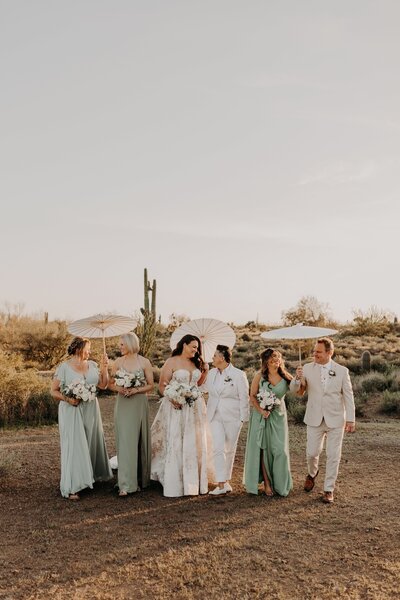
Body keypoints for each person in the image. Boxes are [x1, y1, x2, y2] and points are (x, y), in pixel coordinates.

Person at [290, 337, 355, 504]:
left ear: (329, 353)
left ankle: (328, 489)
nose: (315, 354)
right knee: (312, 453)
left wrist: (350, 419)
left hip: (336, 419)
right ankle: (312, 473)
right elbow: (297, 391)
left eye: (318, 352)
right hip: (314, 417)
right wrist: (297, 379)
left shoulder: (342, 371)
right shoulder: (306, 368)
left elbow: (348, 396)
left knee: (333, 455)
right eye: (314, 351)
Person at [51, 337, 112, 500]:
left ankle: (89, 476)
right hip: (72, 410)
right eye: (88, 349)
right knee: (75, 445)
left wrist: (105, 368)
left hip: (91, 409)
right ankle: (73, 486)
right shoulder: (64, 368)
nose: (90, 352)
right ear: (79, 349)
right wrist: (68, 399)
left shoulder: (92, 365)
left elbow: (103, 385)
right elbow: (53, 391)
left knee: (91, 441)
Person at [151, 334, 212, 497]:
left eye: (197, 347)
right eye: (193, 346)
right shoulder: (172, 361)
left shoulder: (197, 362)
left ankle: (193, 479)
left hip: (195, 407)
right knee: (177, 440)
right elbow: (162, 385)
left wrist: (205, 372)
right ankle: (176, 480)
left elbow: (197, 384)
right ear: (184, 345)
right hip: (176, 406)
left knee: (194, 440)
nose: (196, 349)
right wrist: (172, 398)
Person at [108, 333, 154, 497]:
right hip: (123, 404)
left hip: (138, 403)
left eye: (122, 344)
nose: (119, 347)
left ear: (130, 344)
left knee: (139, 440)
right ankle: (126, 484)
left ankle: (141, 479)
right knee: (125, 441)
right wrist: (120, 388)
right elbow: (110, 384)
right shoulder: (118, 362)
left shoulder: (144, 362)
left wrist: (135, 389)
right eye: (119, 344)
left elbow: (150, 385)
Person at [243, 348, 293, 497]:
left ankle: (280, 483)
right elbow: (252, 396)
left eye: (277, 357)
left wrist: (301, 379)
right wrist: (261, 410)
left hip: (278, 416)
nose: (276, 360)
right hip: (261, 417)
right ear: (266, 361)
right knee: (263, 450)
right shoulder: (260, 376)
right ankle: (267, 484)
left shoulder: (285, 376)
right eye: (272, 358)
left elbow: (300, 390)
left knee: (280, 450)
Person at [204, 345, 249, 496]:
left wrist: (243, 418)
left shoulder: (238, 374)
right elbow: (205, 389)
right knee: (218, 448)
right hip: (214, 415)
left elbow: (244, 397)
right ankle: (221, 483)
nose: (212, 358)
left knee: (229, 449)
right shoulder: (211, 373)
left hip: (233, 417)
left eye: (214, 356)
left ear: (222, 358)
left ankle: (226, 481)